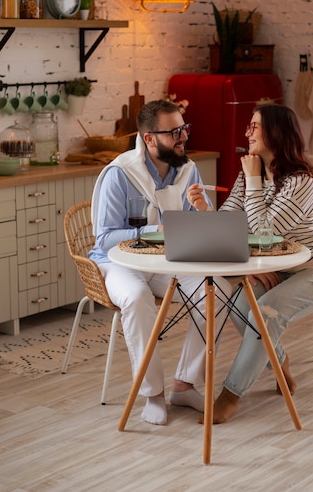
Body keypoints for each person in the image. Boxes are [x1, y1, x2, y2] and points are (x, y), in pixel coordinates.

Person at [187, 103, 313, 424]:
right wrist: (205, 209)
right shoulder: (249, 178)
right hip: (280, 267)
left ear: (276, 133)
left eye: (254, 127)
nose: (247, 132)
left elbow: (265, 233)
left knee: (267, 311)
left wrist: (254, 180)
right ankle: (280, 362)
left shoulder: (300, 182)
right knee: (237, 304)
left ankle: (230, 396)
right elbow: (230, 229)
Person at [89, 99, 232, 425]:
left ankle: (184, 385)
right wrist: (158, 229)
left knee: (218, 292)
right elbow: (105, 238)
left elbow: (204, 228)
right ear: (149, 138)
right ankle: (152, 393)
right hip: (120, 262)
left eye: (184, 129)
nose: (183, 138)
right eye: (174, 132)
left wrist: (202, 211)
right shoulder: (120, 174)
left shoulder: (188, 170)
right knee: (138, 299)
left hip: (169, 259)